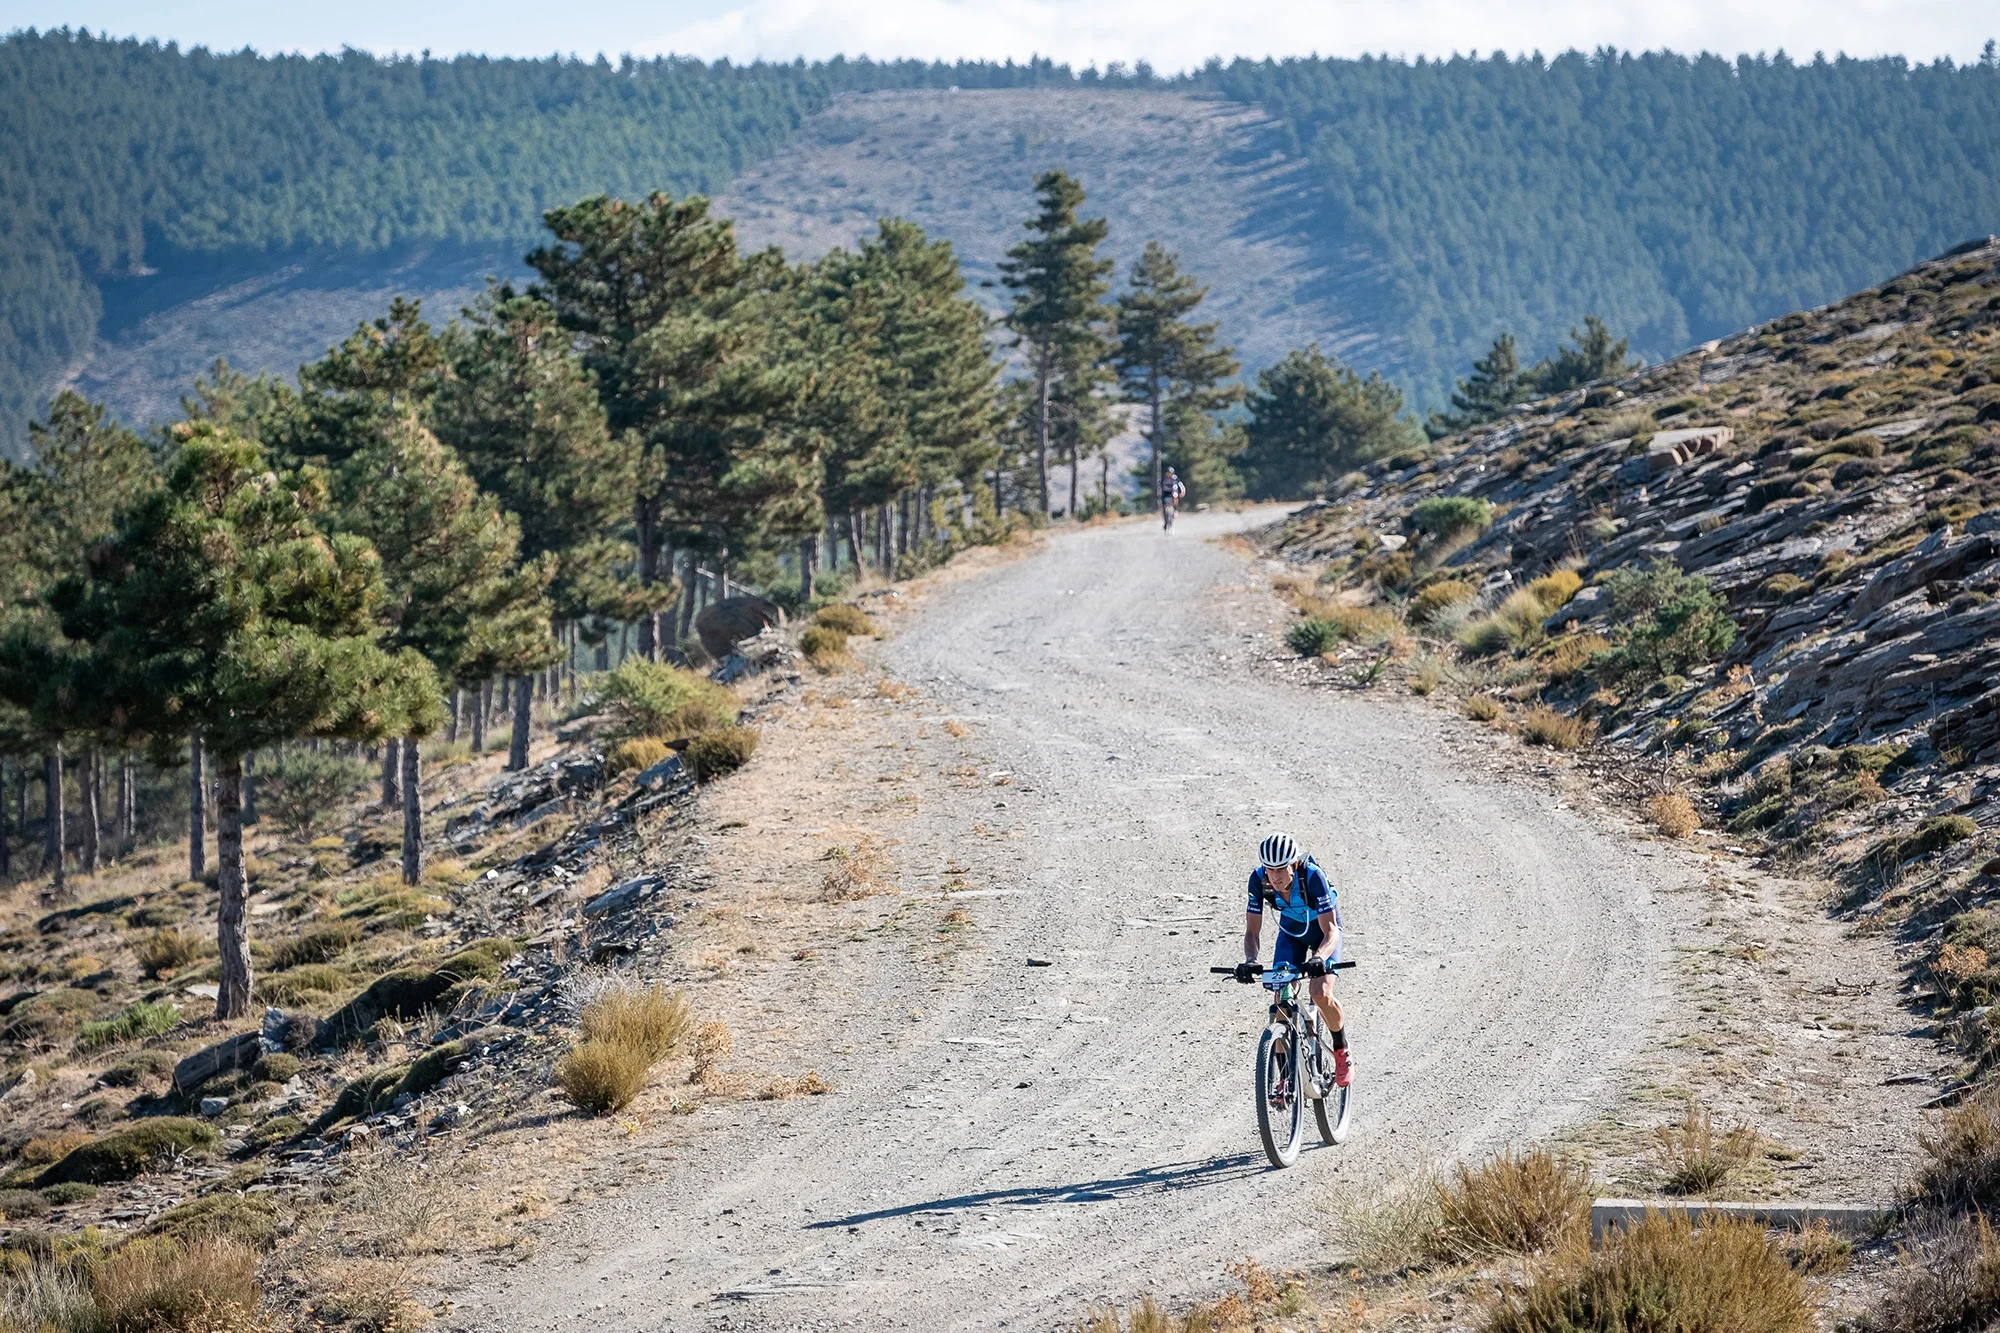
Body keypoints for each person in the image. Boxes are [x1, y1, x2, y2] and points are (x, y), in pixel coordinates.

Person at [1233, 831, 1352, 1088]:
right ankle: (1285, 1079)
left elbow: (1331, 930)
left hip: (1323, 933)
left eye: (1281, 870)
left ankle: (1341, 1050)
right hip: (1292, 934)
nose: (1274, 877)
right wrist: (1250, 960)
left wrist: (1319, 957)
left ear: (1294, 865)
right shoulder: (1258, 880)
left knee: (1319, 992)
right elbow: (1252, 931)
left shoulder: (1311, 876)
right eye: (1269, 870)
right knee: (1281, 1002)